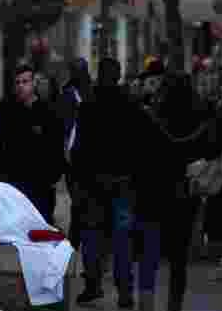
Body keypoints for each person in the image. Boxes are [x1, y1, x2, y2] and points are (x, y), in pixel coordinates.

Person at [132, 72, 222, 311]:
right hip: (185, 194)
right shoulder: (200, 119)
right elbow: (212, 149)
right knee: (178, 258)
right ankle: (175, 304)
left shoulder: (152, 117)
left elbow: (140, 156)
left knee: (149, 251)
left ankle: (146, 302)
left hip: (153, 193)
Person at [70, 57, 139, 307]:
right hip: (121, 181)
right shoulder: (129, 104)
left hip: (92, 182)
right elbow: (136, 145)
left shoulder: (88, 105)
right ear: (118, 75)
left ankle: (92, 285)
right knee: (122, 238)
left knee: (92, 235)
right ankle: (124, 291)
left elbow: (78, 148)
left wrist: (78, 179)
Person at [0, 64, 65, 223]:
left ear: (33, 83)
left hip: (40, 184)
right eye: (18, 82)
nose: (21, 86)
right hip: (14, 182)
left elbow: (55, 145)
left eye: (25, 81)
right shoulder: (7, 110)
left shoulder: (47, 111)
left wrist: (52, 175)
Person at [59, 58, 91, 249]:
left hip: (86, 153)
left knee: (81, 198)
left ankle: (77, 236)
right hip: (72, 154)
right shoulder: (67, 95)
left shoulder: (91, 93)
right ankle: (77, 236)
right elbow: (63, 124)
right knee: (78, 197)